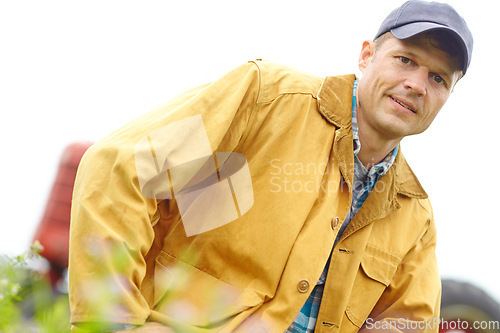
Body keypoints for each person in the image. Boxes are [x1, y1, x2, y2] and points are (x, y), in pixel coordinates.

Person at [68, 1, 473, 332]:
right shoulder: (266, 100)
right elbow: (121, 173)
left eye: (437, 78)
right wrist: (111, 323)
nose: (417, 85)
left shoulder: (414, 216)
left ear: (447, 96)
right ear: (367, 55)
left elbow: (407, 323)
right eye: (405, 60)